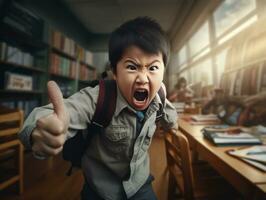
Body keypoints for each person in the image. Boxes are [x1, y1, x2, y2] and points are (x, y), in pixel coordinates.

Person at [18, 17, 177, 200]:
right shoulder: (98, 98)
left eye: (153, 68)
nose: (143, 78)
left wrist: (172, 124)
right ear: (115, 72)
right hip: (100, 191)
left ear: (163, 71)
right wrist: (40, 129)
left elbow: (168, 112)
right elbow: (58, 113)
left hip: (140, 184)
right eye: (132, 67)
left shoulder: (159, 95)